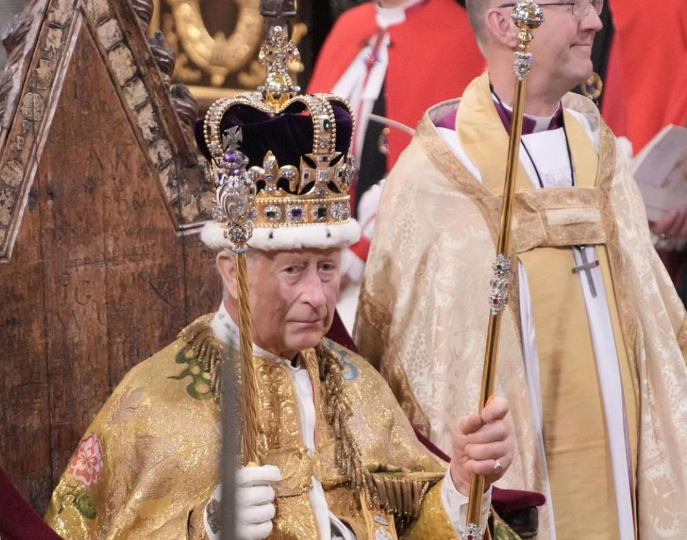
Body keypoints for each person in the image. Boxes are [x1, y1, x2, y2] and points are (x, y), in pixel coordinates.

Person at [44, 5, 520, 539]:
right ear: (232, 271)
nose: (318, 296)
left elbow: (413, 523)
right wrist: (205, 527)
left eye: (327, 267)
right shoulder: (153, 403)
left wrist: (459, 484)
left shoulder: (358, 386)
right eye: (293, 270)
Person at [356, 0, 687, 539]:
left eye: (592, 4)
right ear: (506, 23)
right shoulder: (437, 174)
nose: (594, 21)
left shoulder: (598, 149)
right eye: (573, 5)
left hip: (622, 489)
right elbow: (407, 374)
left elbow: (659, 333)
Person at [307, 0, 486, 287]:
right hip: (317, 253)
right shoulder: (349, 26)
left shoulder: (460, 34)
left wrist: (357, 255)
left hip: (404, 266)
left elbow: (442, 170)